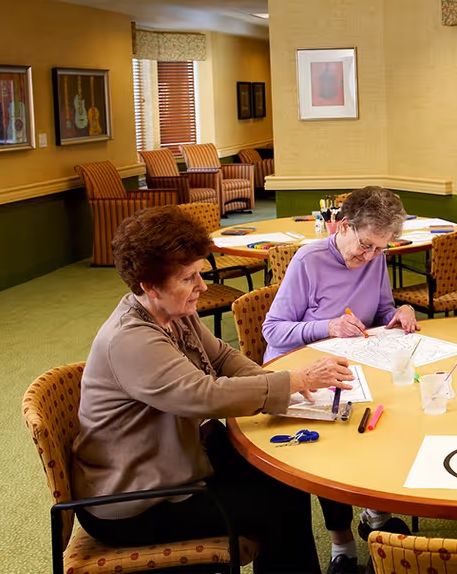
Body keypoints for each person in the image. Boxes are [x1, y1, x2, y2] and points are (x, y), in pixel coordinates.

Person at [71, 205, 355, 574]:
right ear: (149, 286)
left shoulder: (174, 312)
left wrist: (285, 393)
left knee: (286, 476)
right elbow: (206, 395)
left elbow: (221, 357)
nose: (202, 287)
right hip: (135, 499)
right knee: (277, 507)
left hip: (181, 459)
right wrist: (293, 381)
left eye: (199, 274)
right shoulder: (131, 340)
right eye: (188, 278)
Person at [263, 186, 417, 574]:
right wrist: (326, 326)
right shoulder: (308, 260)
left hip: (354, 365)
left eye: (380, 250)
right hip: (304, 373)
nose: (369, 257)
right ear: (344, 226)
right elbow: (273, 331)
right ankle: (342, 545)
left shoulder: (374, 257)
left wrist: (399, 311)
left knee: (396, 412)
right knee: (335, 440)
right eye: (365, 246)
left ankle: (374, 510)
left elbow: (380, 309)